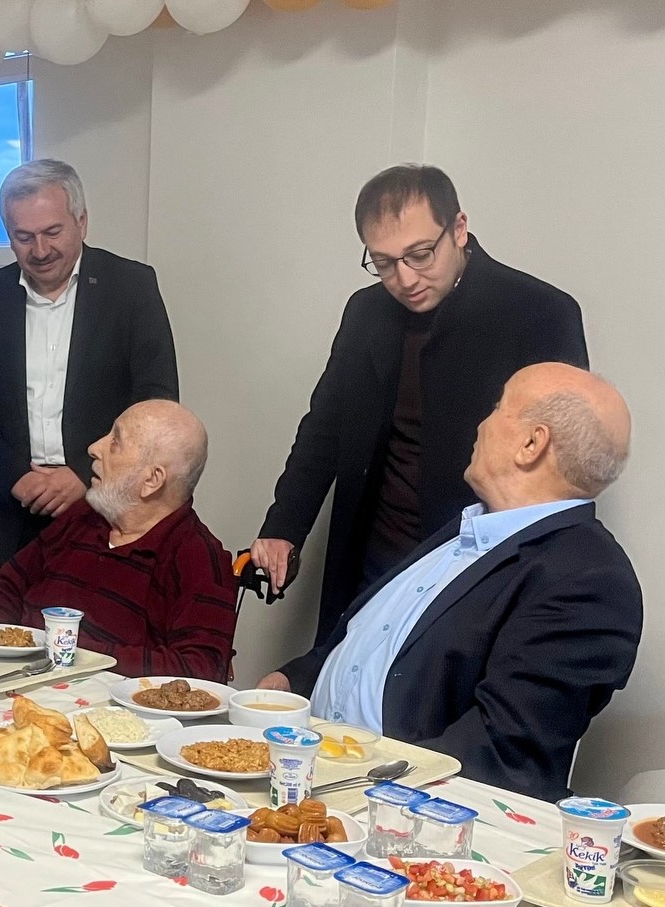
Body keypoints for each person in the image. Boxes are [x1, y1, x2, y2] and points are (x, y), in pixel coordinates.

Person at [257, 364, 641, 800]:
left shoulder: (589, 579)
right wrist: (292, 681)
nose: (481, 424)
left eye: (498, 407)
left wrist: (354, 787)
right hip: (303, 769)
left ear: (532, 444)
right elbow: (378, 641)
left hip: (384, 807)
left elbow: (502, 753)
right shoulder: (465, 533)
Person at [250, 165, 589, 645]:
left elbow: (563, 470)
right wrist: (284, 526)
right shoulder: (366, 312)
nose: (405, 278)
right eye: (384, 262)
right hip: (374, 559)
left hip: (479, 569)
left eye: (420, 254)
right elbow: (326, 427)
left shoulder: (540, 313)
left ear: (459, 229)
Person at [0, 159, 179, 565]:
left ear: (81, 222)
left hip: (109, 507)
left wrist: (85, 473)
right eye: (23, 237)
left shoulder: (131, 287)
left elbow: (156, 400)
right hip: (19, 513)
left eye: (52, 232)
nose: (40, 251)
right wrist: (16, 476)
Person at [0, 401, 238, 681]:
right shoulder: (83, 517)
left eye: (115, 442)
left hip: (105, 701)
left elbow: (200, 670)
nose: (94, 448)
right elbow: (1, 587)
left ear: (152, 480)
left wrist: (72, 652)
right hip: (15, 680)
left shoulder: (198, 559)